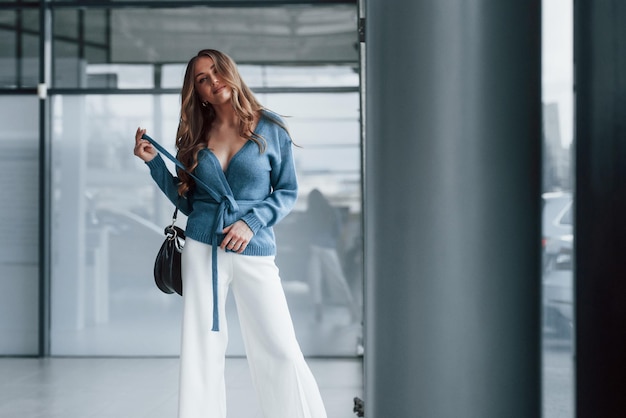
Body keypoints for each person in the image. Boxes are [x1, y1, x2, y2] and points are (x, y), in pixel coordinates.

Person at [133, 49, 327, 418]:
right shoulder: (195, 135)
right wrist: (155, 164)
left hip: (254, 250)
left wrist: (251, 223)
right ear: (199, 93)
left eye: (216, 72)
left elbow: (286, 191)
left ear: (231, 73)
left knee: (281, 348)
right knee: (200, 348)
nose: (213, 81)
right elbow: (190, 202)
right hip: (202, 249)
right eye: (202, 79)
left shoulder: (270, 127)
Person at [305, 189, 360, 323]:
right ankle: (351, 308)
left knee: (314, 280)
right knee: (337, 279)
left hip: (314, 247)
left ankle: (318, 308)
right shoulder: (331, 211)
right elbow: (338, 230)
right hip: (328, 247)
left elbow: (305, 230)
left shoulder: (311, 212)